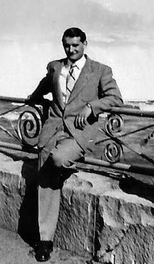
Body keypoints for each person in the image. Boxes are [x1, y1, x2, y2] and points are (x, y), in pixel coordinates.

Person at [27, 27, 123, 262]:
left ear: (85, 44)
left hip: (79, 133)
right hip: (52, 130)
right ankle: (45, 240)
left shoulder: (99, 71)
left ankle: (67, 164)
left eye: (75, 46)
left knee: (58, 160)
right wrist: (33, 97)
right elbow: (46, 84)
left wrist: (92, 107)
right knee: (44, 176)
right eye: (67, 45)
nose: (71, 50)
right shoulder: (55, 67)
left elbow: (116, 98)